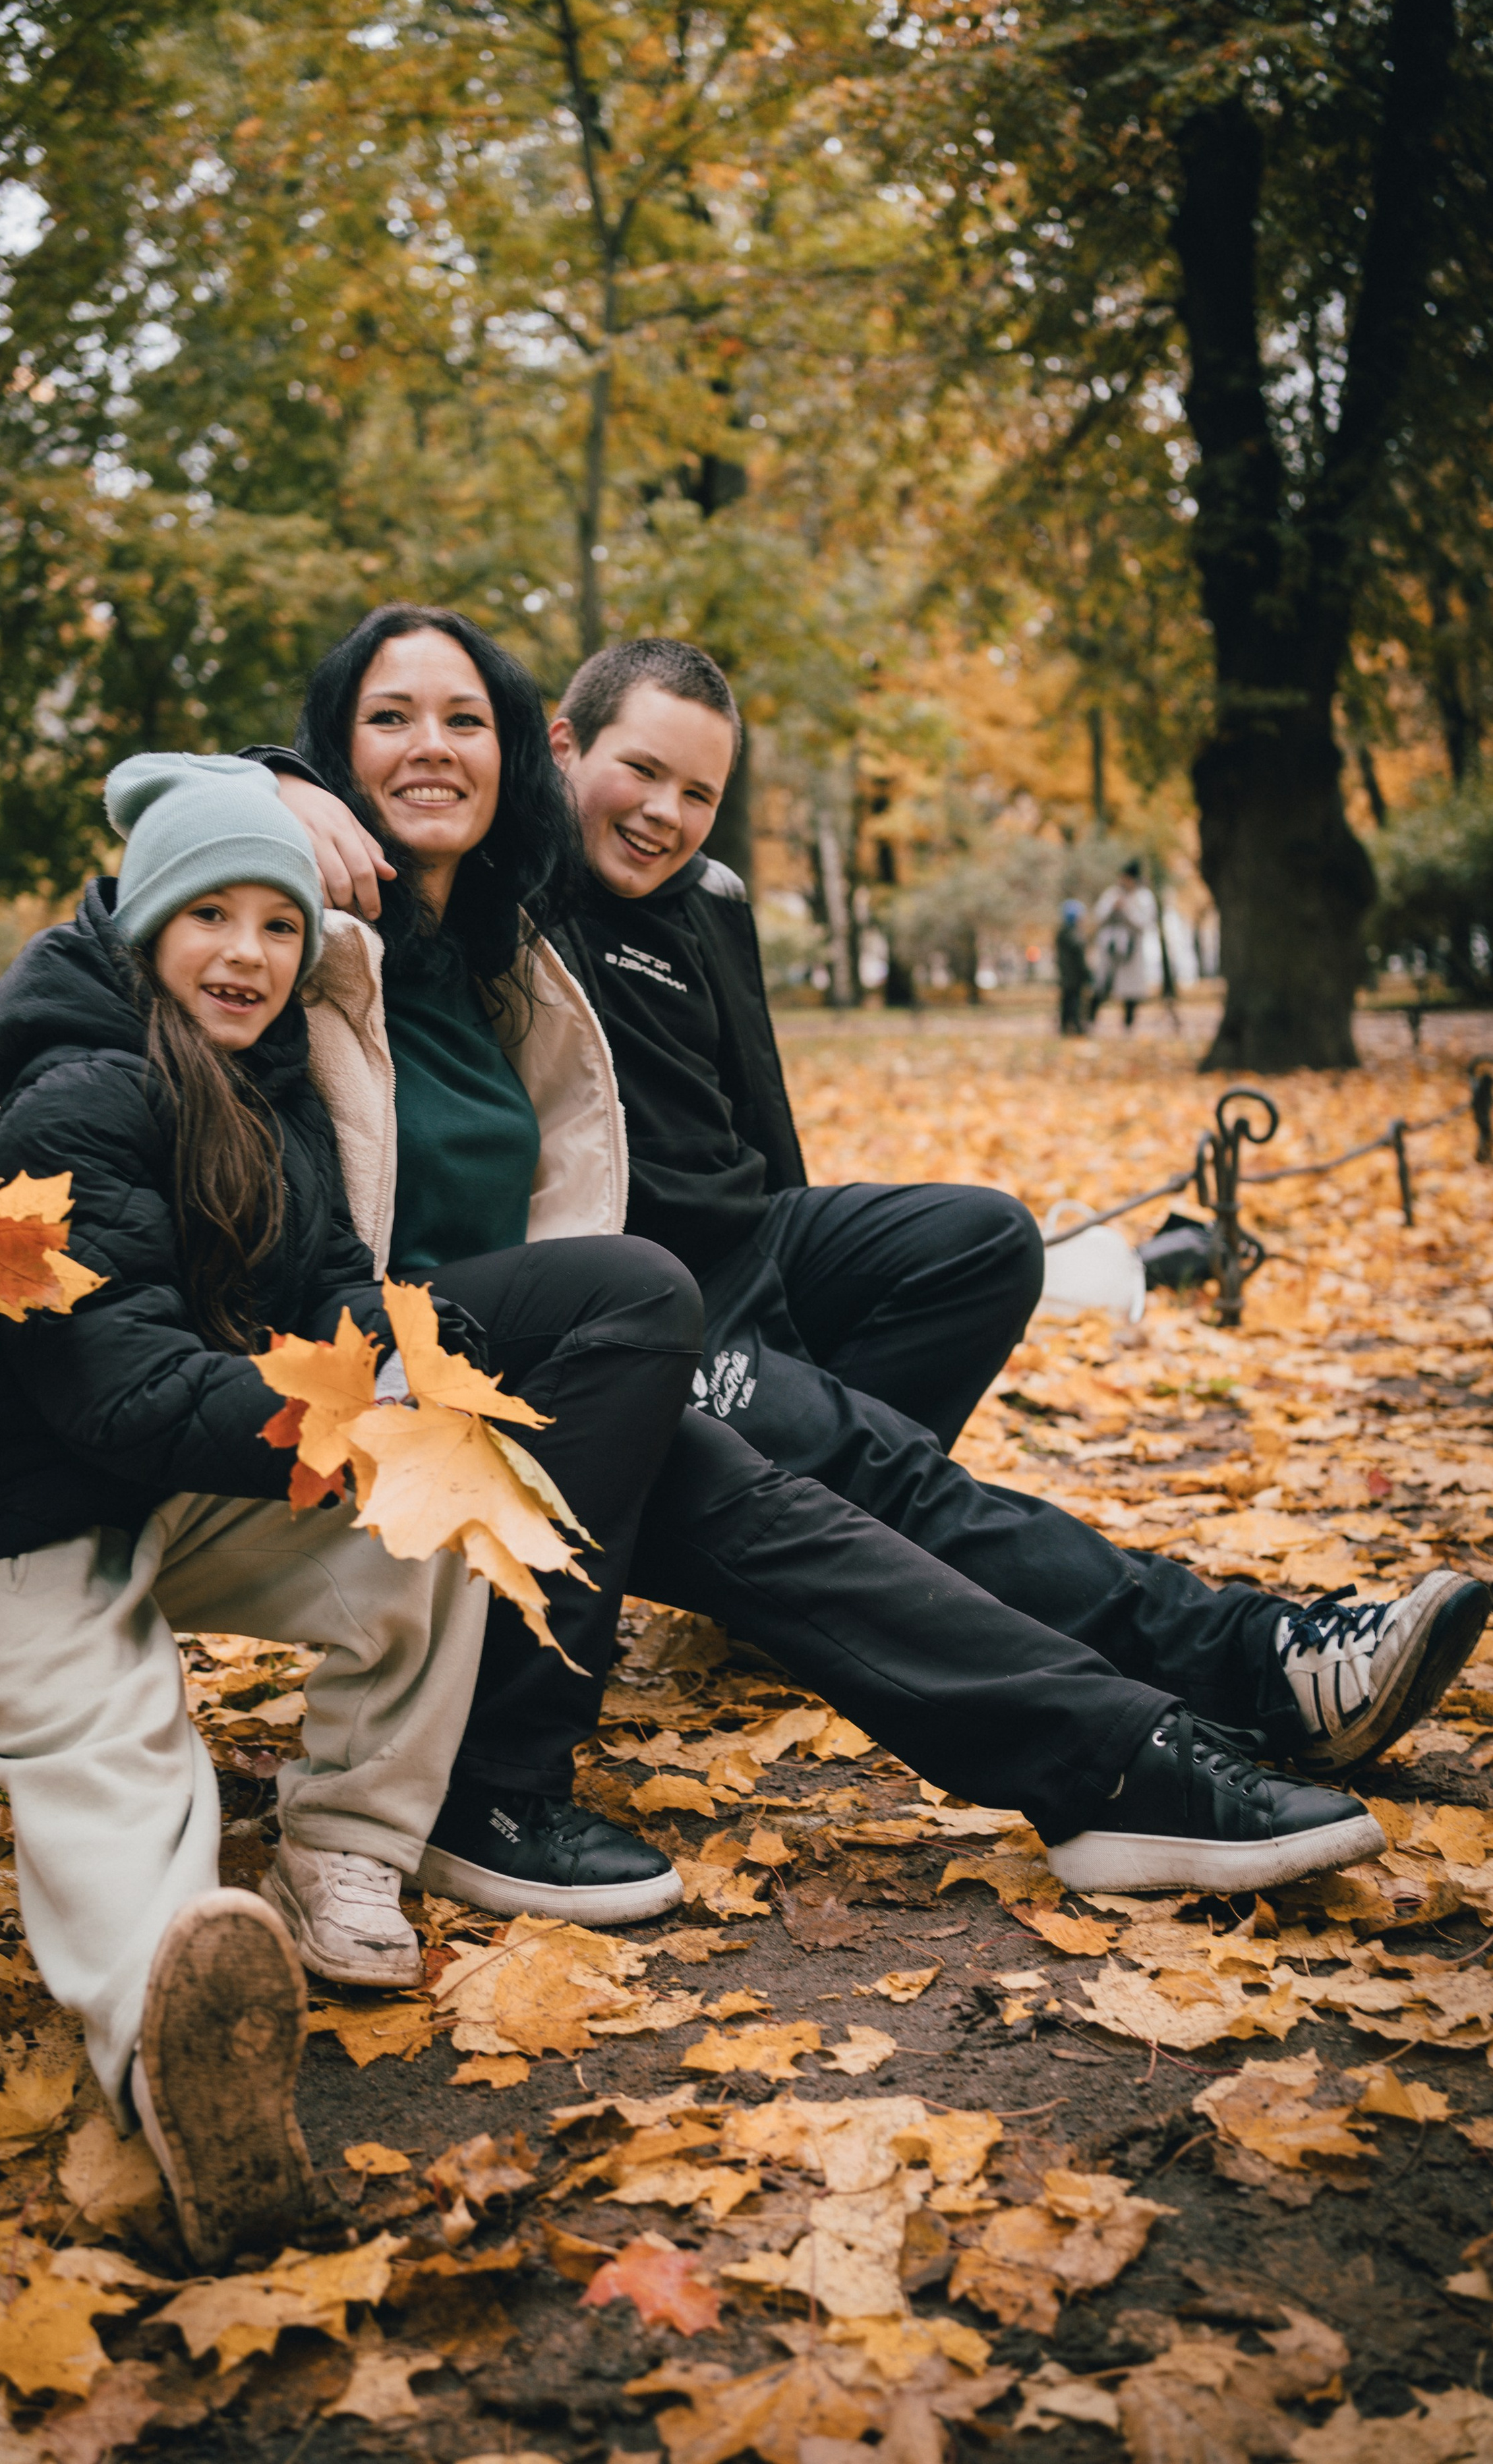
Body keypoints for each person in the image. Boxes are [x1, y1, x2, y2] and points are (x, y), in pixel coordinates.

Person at [263, 612, 1486, 1906]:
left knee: (918, 1332)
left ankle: (1134, 1738)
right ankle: (1239, 1673)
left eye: (701, 793)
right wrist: (265, 779)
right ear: (560, 751)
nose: (667, 813)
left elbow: (740, 1122)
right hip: (513, 1351)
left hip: (617, 1326)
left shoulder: (508, 922)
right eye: (390, 723)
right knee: (846, 1470)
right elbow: (162, 878)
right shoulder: (356, 911)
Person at [0, 755, 507, 2267]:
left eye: (277, 925)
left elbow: (333, 1277)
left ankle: (346, 1852)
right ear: (145, 930)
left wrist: (407, 1374)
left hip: (152, 1481)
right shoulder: (79, 1092)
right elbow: (117, 1387)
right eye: (208, 914)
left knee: (431, 1513)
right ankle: (179, 2045)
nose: (247, 955)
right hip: (1, 1511)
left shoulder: (262, 1088)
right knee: (116, 1758)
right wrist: (338, 1420)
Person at [1091, 858, 1162, 1031]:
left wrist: (1127, 910)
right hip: (1110, 946)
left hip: (1132, 949)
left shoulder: (1144, 897)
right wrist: (1113, 908)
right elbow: (1098, 916)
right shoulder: (1112, 894)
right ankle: (1090, 1021)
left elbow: (1145, 923)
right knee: (1102, 985)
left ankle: (1128, 1025)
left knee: (1131, 990)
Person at [1056, 898, 1090, 1035]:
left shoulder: (1063, 933)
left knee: (1067, 1000)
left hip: (1066, 974)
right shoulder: (1074, 935)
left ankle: (1066, 1026)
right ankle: (1076, 1026)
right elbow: (1080, 957)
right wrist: (1087, 974)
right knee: (1074, 1001)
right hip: (1074, 974)